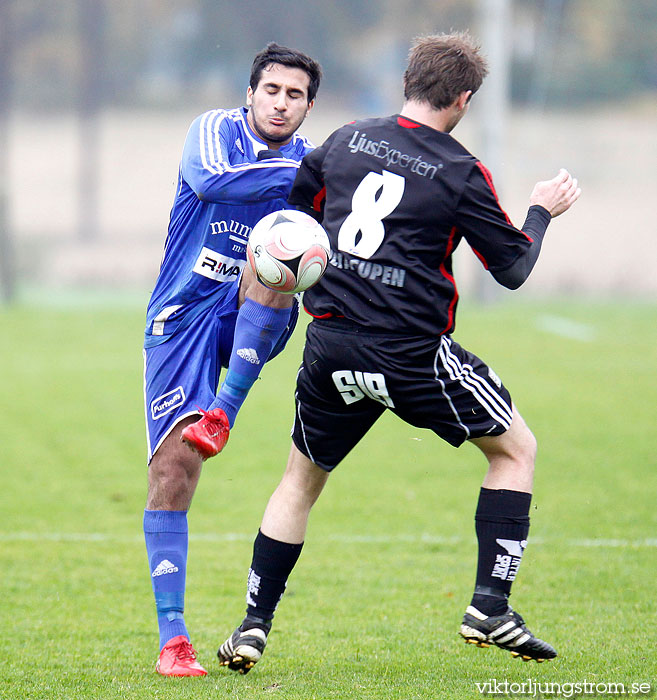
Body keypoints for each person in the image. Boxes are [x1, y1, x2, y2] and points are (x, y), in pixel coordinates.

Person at [217, 32, 581, 674]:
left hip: (329, 346)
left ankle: (252, 625)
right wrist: (540, 210)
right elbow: (514, 268)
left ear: (407, 81)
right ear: (464, 99)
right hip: (411, 354)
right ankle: (490, 606)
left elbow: (296, 222)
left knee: (298, 482)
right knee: (515, 450)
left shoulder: (345, 139)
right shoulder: (463, 171)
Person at [142, 43, 322, 676]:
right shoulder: (214, 130)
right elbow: (212, 181)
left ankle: (225, 409)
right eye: (271, 90)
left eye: (295, 95)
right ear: (251, 94)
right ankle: (174, 641)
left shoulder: (313, 166)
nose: (281, 103)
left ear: (308, 106)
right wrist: (310, 177)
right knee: (173, 474)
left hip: (257, 310)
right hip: (184, 316)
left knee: (287, 247)